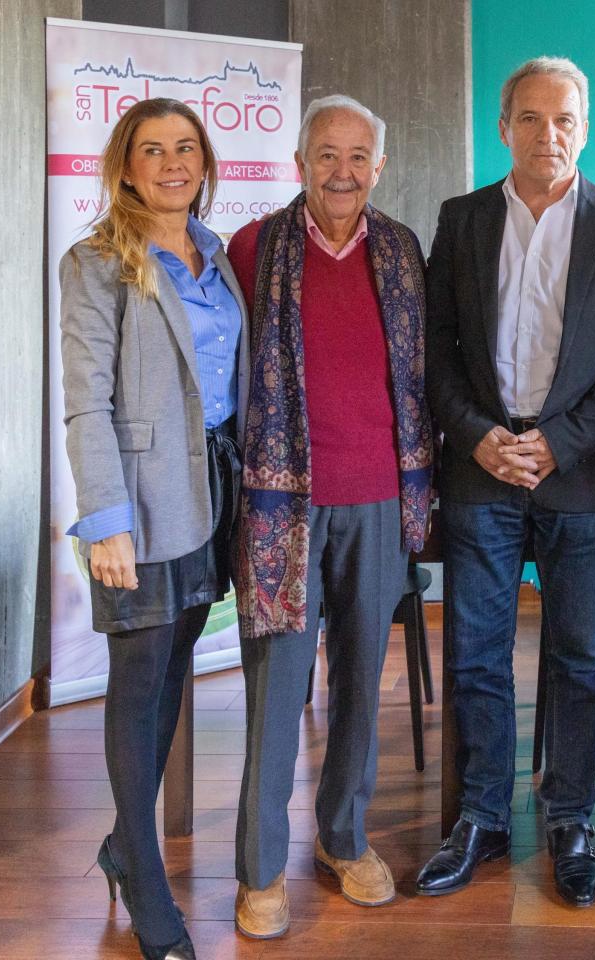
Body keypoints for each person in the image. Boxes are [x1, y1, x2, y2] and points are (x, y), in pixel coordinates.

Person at [415, 56, 595, 907]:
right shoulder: (462, 218)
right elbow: (436, 345)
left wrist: (557, 442)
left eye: (563, 120)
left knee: (580, 657)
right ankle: (482, 818)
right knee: (477, 654)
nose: (546, 134)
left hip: (580, 475)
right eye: (529, 118)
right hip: (480, 472)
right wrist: (478, 436)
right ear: (504, 126)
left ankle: (570, 818)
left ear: (583, 127)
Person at [222, 95, 434, 937]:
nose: (342, 171)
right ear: (300, 162)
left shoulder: (402, 250)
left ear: (377, 168)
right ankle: (260, 869)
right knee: (277, 688)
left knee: (358, 683)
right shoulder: (253, 248)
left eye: (358, 157)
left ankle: (344, 840)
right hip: (282, 505)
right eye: (326, 155)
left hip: (380, 498)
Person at [60, 97, 244, 960]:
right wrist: (105, 521)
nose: (172, 163)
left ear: (204, 161)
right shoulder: (96, 260)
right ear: (125, 166)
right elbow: (85, 402)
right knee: (138, 689)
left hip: (210, 493)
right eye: (151, 150)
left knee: (173, 676)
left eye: (185, 148)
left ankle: (122, 846)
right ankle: (145, 881)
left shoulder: (216, 255)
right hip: (138, 502)